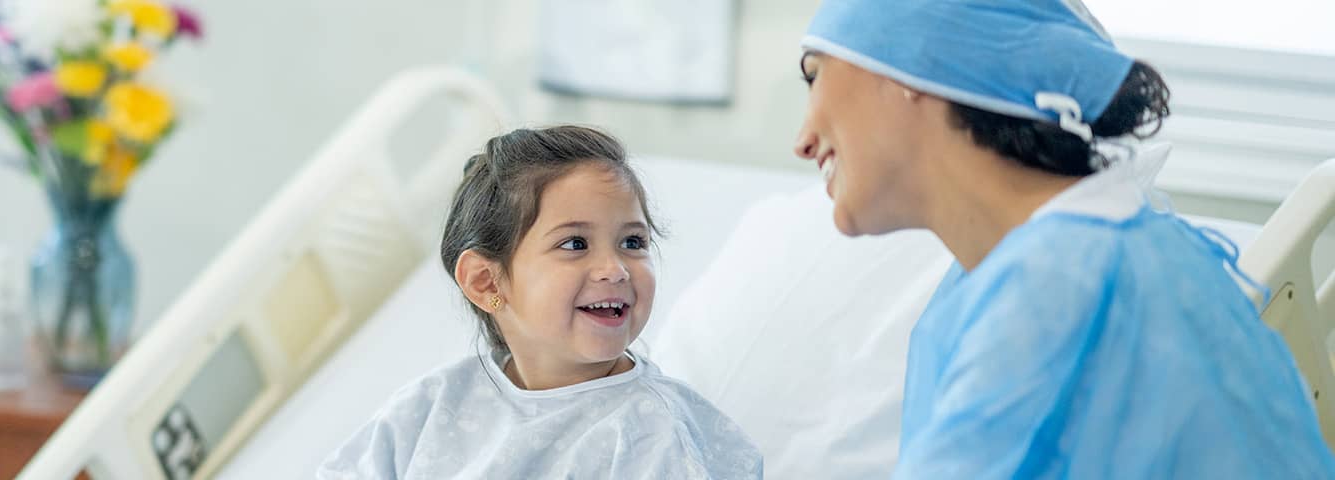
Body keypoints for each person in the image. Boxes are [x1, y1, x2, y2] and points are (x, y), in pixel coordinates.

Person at [791, 0, 1335, 477]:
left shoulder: (1057, 289)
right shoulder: (1080, 262)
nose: (803, 140)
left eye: (814, 76)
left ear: (910, 61)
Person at [317, 126, 761, 479]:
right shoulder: (431, 408)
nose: (615, 269)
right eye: (574, 243)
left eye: (632, 241)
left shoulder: (652, 434)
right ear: (486, 281)